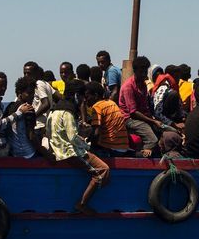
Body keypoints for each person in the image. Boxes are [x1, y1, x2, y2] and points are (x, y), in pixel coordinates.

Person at [45, 83, 110, 214]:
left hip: (57, 150)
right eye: (81, 97)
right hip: (70, 152)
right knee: (103, 171)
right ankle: (82, 204)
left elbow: (49, 132)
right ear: (76, 96)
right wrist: (86, 143)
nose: (83, 100)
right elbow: (73, 138)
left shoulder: (53, 111)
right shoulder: (67, 113)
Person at [120, 57, 168, 155]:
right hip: (129, 119)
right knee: (152, 140)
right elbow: (133, 113)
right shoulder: (128, 87)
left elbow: (145, 107)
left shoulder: (143, 84)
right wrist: (153, 121)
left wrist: (154, 120)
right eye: (141, 72)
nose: (144, 75)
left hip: (142, 117)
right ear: (135, 71)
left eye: (145, 72)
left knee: (168, 132)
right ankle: (141, 157)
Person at [83, 82, 131, 157]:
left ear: (95, 96)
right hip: (123, 148)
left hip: (111, 149)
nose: (85, 100)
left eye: (87, 97)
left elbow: (96, 133)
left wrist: (90, 148)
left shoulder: (97, 107)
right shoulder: (111, 102)